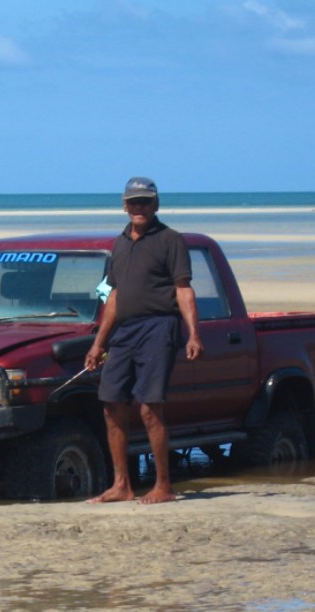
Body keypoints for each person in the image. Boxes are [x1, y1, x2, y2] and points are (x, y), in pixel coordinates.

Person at [84, 177, 203, 504]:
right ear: (124, 205)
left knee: (151, 408)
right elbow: (111, 295)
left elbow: (183, 289)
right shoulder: (119, 244)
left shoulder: (171, 240)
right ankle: (122, 484)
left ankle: (163, 485)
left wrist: (193, 333)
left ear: (156, 204)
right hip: (124, 331)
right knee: (111, 405)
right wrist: (98, 342)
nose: (139, 208)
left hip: (159, 327)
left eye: (145, 202)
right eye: (134, 202)